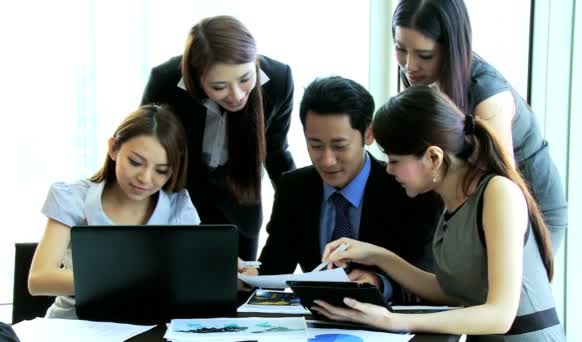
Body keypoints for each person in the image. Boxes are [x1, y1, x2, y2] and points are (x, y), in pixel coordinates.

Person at [314, 86, 565, 340]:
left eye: (395, 160)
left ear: (433, 157)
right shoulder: (453, 200)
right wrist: (376, 255)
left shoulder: (498, 193)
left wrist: (390, 320)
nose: (389, 170)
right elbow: (451, 290)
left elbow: (500, 315)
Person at [391, 0, 567, 251]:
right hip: (468, 193)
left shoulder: (487, 94)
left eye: (424, 55)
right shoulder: (417, 75)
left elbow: (502, 187)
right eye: (400, 49)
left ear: (451, 48)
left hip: (528, 205)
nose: (409, 65)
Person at [252, 77, 442, 303]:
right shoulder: (294, 187)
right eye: (315, 145)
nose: (327, 160)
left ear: (368, 134)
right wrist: (247, 275)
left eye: (339, 146)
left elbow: (429, 284)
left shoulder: (407, 189)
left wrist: (379, 283)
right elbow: (274, 266)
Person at [141, 15, 296, 260]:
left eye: (245, 79)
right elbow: (146, 145)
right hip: (178, 203)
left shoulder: (278, 80)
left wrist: (299, 203)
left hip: (240, 205)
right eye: (219, 86)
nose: (236, 96)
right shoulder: (166, 81)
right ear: (196, 76)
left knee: (237, 291)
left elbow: (276, 151)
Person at [28, 104, 200, 319]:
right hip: (75, 324)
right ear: (113, 148)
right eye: (136, 162)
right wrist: (125, 281)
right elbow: (39, 279)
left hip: (152, 325)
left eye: (161, 170)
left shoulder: (178, 208)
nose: (145, 178)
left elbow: (191, 279)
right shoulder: (72, 197)